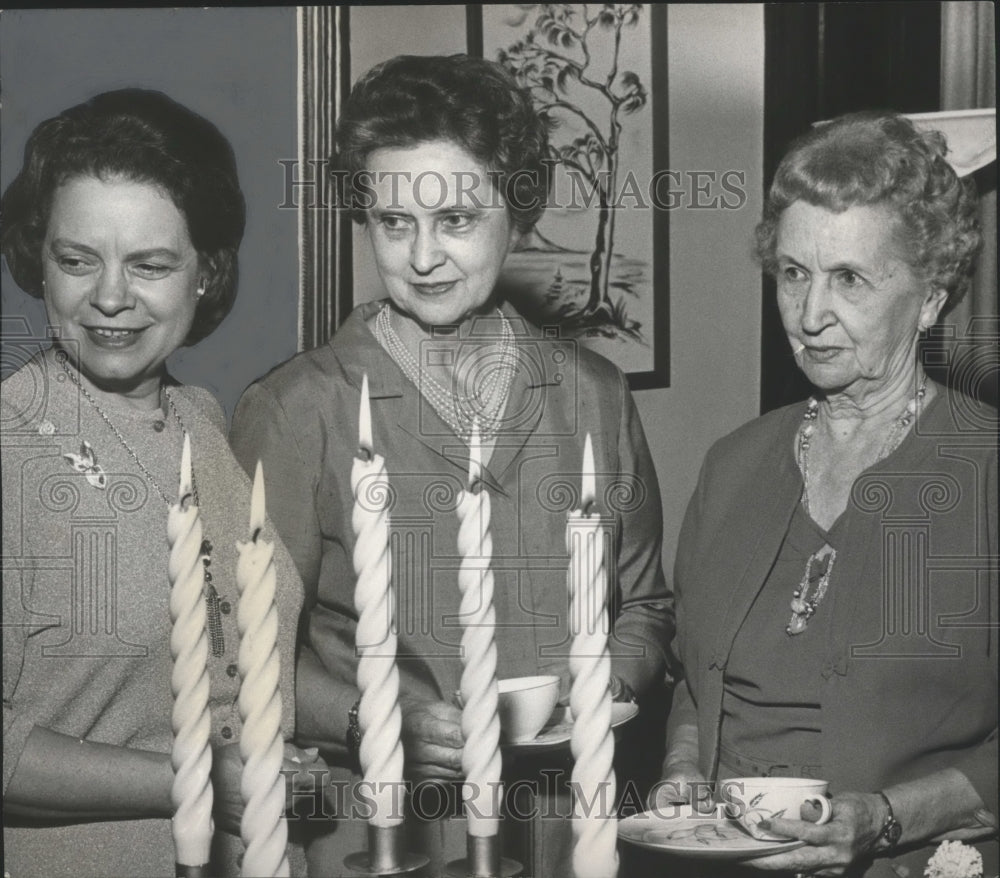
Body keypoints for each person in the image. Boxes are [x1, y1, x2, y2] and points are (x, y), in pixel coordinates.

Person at [229, 54, 673, 876]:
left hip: (568, 826)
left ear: (520, 214)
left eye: (458, 221)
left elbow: (644, 602)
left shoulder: (594, 395)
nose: (423, 256)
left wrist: (609, 676)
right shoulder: (297, 409)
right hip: (383, 831)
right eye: (395, 224)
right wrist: (369, 717)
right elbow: (243, 655)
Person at [652, 111, 997, 878]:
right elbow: (693, 679)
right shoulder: (733, 465)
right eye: (794, 273)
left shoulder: (986, 471)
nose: (810, 317)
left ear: (932, 296)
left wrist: (883, 819)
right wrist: (681, 772)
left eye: (850, 279)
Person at [1, 89, 322, 877]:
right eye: (76, 260)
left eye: (149, 265)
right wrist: (201, 783)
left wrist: (347, 722)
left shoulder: (198, 420)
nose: (109, 297)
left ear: (206, 275)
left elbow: (232, 657)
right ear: (37, 261)